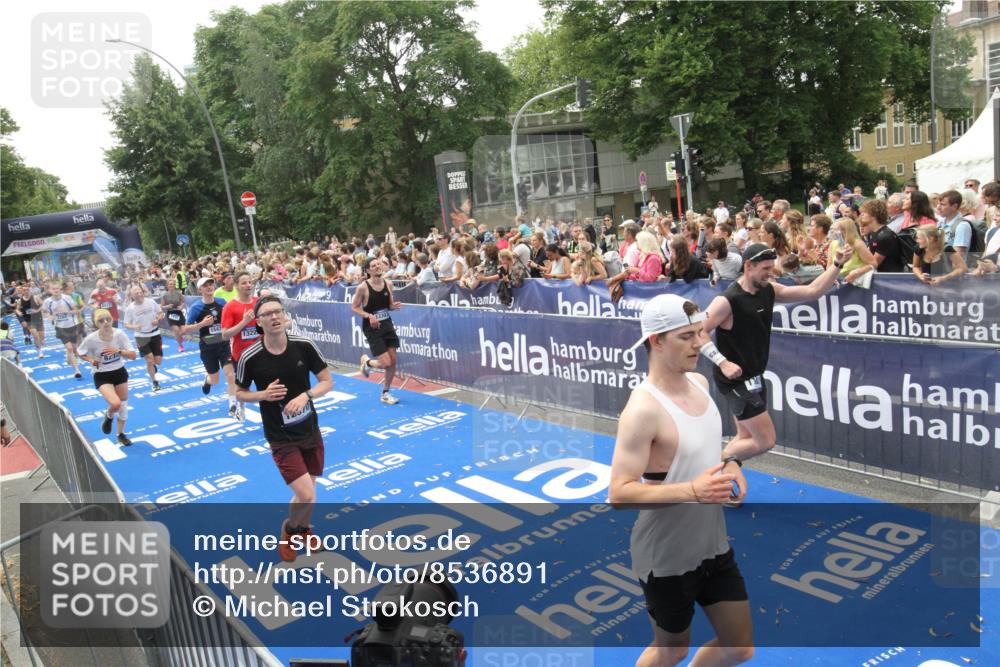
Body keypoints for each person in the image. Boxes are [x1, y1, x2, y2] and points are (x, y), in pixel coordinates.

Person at [610, 294, 752, 667]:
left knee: (739, 647)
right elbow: (619, 493)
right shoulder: (642, 410)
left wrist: (730, 462)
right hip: (667, 557)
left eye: (699, 333)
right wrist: (692, 491)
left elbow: (703, 450)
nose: (699, 343)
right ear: (656, 341)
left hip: (712, 545)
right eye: (686, 336)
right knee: (671, 650)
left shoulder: (700, 383)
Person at [701, 242, 852, 463]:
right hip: (734, 380)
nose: (771, 274)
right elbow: (699, 331)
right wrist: (722, 362)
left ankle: (715, 478)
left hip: (755, 376)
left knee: (745, 436)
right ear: (748, 265)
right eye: (765, 269)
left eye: (772, 268)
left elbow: (813, 291)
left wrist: (837, 263)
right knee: (765, 440)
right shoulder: (726, 300)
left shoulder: (769, 290)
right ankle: (708, 467)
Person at [235, 295, 334, 562]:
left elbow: (326, 381)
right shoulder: (250, 356)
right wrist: (263, 395)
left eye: (278, 311)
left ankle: (303, 529)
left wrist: (306, 396)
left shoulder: (304, 345)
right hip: (280, 436)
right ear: (259, 322)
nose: (274, 317)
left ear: (285, 316)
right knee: (306, 493)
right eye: (267, 314)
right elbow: (239, 393)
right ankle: (289, 530)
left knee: (309, 495)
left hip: (310, 429)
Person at [78, 309, 137, 446]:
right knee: (115, 404)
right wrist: (90, 360)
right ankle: (109, 416)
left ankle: (120, 434)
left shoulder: (119, 334)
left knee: (123, 406)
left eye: (108, 319)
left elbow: (133, 355)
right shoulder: (91, 339)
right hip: (102, 374)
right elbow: (80, 353)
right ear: (96, 323)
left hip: (119, 372)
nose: (105, 323)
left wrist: (118, 351)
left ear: (112, 320)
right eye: (101, 320)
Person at [184, 277, 239, 418]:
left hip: (223, 344)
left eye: (211, 284)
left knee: (230, 375)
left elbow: (231, 318)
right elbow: (185, 329)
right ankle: (207, 380)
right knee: (215, 380)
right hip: (208, 347)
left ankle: (233, 404)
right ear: (200, 289)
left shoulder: (221, 302)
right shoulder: (196, 307)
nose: (209, 287)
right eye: (205, 285)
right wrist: (201, 324)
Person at [353, 258, 403, 405]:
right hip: (372, 328)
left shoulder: (389, 283)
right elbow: (355, 307)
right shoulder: (363, 287)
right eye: (373, 266)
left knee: (393, 361)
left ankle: (386, 393)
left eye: (378, 264)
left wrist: (393, 306)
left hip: (387, 324)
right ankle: (367, 362)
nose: (377, 267)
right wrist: (369, 316)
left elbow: (389, 305)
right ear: (368, 271)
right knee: (386, 363)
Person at [222, 273, 260, 419]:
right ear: (237, 286)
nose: (248, 285)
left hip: (261, 351)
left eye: (250, 282)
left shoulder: (258, 302)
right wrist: (244, 322)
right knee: (243, 387)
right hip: (241, 355)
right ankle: (241, 407)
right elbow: (225, 334)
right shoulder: (230, 307)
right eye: (244, 283)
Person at [123, 285, 164, 391]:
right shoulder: (130, 308)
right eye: (136, 293)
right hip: (141, 336)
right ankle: (154, 381)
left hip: (155, 334)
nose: (139, 294)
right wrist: (134, 326)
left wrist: (158, 319)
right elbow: (126, 324)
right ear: (132, 295)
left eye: (140, 292)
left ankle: (153, 366)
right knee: (150, 360)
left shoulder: (151, 302)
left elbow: (161, 313)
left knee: (158, 361)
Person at [41, 281, 83, 378]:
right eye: (53, 289)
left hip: (72, 325)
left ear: (60, 289)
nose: (56, 290)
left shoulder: (67, 298)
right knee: (69, 348)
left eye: (57, 288)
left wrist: (68, 312)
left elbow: (76, 310)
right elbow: (44, 311)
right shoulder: (48, 301)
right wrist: (49, 316)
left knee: (74, 348)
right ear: (50, 290)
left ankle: (70, 358)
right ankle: (77, 370)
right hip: (60, 328)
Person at [860, 199, 905, 273]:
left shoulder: (885, 237)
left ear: (874, 215)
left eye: (865, 212)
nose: (862, 214)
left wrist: (855, 272)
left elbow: (874, 264)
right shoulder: (872, 233)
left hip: (887, 278)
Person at [161, 280, 187, 352]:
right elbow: (162, 306)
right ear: (167, 286)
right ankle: (180, 345)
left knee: (183, 331)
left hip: (178, 313)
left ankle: (180, 337)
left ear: (174, 285)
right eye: (170, 284)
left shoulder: (178, 293)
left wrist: (181, 306)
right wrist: (167, 306)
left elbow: (184, 302)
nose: (171, 286)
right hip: (170, 314)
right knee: (176, 330)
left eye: (172, 284)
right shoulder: (165, 295)